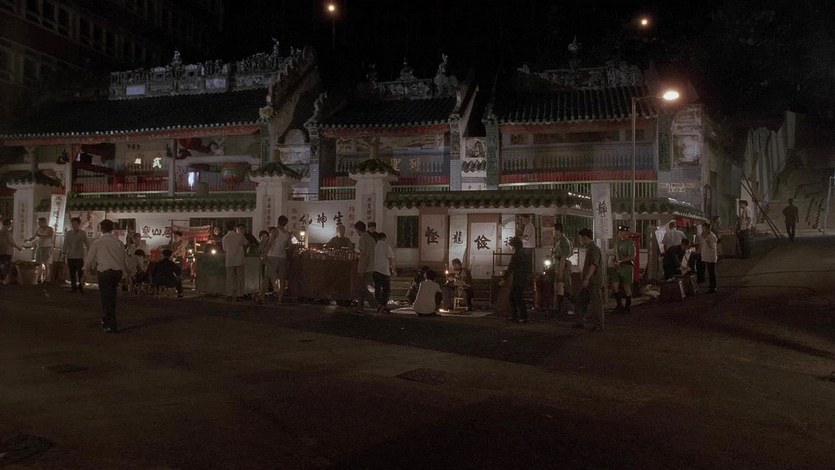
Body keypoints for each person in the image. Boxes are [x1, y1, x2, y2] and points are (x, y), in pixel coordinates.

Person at [83, 219, 128, 333]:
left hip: (105, 272)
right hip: (117, 272)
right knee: (112, 296)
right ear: (112, 229)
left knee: (106, 297)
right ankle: (108, 320)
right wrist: (128, 273)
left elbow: (89, 259)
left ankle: (110, 323)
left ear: (101, 229)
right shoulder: (118, 242)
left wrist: (85, 272)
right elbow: (125, 259)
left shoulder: (98, 242)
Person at [575, 228, 604, 331]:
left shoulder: (593, 249)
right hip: (589, 281)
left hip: (593, 281)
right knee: (580, 300)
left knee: (596, 303)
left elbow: (593, 264)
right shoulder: (590, 248)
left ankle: (598, 324)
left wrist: (587, 278)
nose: (580, 240)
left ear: (585, 237)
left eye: (580, 238)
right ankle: (580, 322)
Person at [503, 236, 531, 323]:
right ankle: (516, 316)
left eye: (511, 245)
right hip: (523, 278)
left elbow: (510, 267)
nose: (510, 247)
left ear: (514, 246)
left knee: (517, 298)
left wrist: (503, 278)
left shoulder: (516, 255)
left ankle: (522, 316)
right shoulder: (524, 254)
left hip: (518, 279)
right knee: (515, 297)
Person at [263, 216, 291, 303]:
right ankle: (280, 298)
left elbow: (270, 243)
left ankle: (261, 297)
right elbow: (289, 246)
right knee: (281, 279)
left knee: (267, 276)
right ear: (285, 223)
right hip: (282, 256)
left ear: (278, 221)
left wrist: (265, 254)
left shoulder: (275, 231)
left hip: (272, 256)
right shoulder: (287, 234)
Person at [353, 221, 378, 314]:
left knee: (363, 289)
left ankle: (377, 305)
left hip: (365, 268)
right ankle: (360, 308)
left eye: (356, 230)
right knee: (362, 288)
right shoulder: (371, 239)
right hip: (372, 266)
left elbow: (363, 255)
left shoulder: (363, 239)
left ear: (358, 230)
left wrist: (361, 269)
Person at [611, 225, 636, 314]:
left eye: (623, 232)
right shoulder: (617, 243)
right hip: (618, 267)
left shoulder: (630, 243)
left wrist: (621, 261)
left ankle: (627, 306)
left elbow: (631, 256)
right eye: (620, 232)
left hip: (626, 266)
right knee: (615, 285)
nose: (621, 233)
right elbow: (615, 254)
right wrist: (614, 260)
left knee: (626, 286)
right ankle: (619, 305)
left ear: (627, 233)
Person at [63, 217, 90, 293]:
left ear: (78, 224)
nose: (73, 225)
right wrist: (63, 252)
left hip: (79, 256)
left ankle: (81, 286)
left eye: (75, 224)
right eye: (72, 224)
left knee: (80, 272)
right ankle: (73, 287)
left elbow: (87, 243)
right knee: (72, 272)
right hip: (70, 255)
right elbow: (65, 243)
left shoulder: (82, 233)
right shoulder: (68, 233)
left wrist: (89, 252)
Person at [222, 223, 248, 301]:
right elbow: (246, 243)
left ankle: (229, 295)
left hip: (229, 260)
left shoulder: (224, 238)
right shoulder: (239, 236)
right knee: (240, 278)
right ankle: (239, 295)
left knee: (229, 278)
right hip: (239, 259)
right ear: (234, 227)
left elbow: (224, 249)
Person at [551, 223, 573, 315]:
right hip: (559, 265)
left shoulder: (563, 241)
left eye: (553, 230)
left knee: (561, 287)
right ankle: (560, 308)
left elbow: (563, 257)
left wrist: (560, 271)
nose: (553, 232)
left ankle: (562, 309)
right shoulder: (561, 240)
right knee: (560, 288)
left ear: (558, 231)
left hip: (562, 266)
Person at [372, 232, 396, 314]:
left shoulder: (374, 246)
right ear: (384, 238)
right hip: (384, 271)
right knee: (386, 289)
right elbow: (390, 259)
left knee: (377, 288)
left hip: (375, 270)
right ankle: (383, 305)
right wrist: (393, 270)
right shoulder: (386, 246)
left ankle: (378, 305)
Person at [28, 217, 54, 283]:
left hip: (47, 248)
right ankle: (39, 278)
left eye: (39, 223)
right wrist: (28, 241)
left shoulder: (50, 229)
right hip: (39, 247)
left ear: (43, 222)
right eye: (38, 223)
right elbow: (35, 237)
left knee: (47, 263)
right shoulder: (39, 229)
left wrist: (40, 236)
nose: (38, 224)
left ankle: (47, 279)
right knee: (38, 263)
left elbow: (50, 236)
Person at [0, 218, 21, 285]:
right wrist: (18, 247)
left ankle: (2, 279)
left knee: (2, 264)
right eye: (11, 224)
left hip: (1, 251)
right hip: (7, 251)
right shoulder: (7, 232)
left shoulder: (1, 231)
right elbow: (10, 241)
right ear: (9, 224)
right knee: (6, 265)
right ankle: (2, 279)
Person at [700, 223, 718, 294]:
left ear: (708, 229)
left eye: (704, 228)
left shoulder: (712, 236)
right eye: (703, 228)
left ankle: (713, 288)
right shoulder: (706, 235)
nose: (703, 230)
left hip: (711, 257)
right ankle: (711, 286)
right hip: (707, 256)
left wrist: (707, 241)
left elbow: (711, 246)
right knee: (709, 272)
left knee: (711, 272)